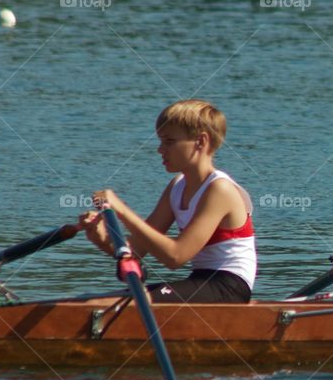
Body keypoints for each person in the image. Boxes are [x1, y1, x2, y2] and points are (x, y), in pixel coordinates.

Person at [79, 99, 256, 303]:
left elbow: (175, 257)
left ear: (201, 141)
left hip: (230, 287)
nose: (160, 150)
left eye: (169, 141)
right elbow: (136, 251)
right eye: (161, 141)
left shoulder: (220, 189)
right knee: (92, 300)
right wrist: (102, 238)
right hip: (200, 281)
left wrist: (121, 211)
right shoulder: (177, 186)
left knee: (106, 305)